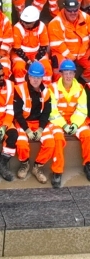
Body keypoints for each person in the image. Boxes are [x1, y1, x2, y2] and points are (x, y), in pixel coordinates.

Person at [48, 58, 90, 187]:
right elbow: (52, 111)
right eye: (65, 72)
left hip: (74, 120)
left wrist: (75, 124)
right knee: (58, 138)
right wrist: (64, 125)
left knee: (87, 134)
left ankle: (88, 164)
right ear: (60, 74)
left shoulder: (80, 89)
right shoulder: (52, 88)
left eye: (71, 73)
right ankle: (57, 171)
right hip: (58, 121)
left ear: (74, 74)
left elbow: (82, 110)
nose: (68, 76)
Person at [13, 61, 54, 183]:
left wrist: (41, 129)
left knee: (50, 143)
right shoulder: (20, 90)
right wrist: (27, 130)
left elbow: (46, 113)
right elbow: (18, 113)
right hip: (23, 122)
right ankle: (24, 164)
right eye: (33, 76)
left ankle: (37, 167)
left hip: (39, 123)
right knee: (21, 144)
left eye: (38, 77)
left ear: (42, 78)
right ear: (28, 76)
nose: (35, 80)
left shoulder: (46, 92)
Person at [47, 0, 90, 84]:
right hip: (63, 54)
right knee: (61, 69)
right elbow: (57, 45)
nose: (73, 13)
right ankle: (58, 91)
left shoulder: (86, 18)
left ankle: (82, 85)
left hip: (83, 52)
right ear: (64, 9)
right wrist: (72, 58)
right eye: (69, 10)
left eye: (75, 10)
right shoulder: (55, 23)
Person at [11, 5, 51, 83]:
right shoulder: (17, 27)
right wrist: (28, 61)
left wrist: (37, 59)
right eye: (23, 21)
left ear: (35, 21)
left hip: (38, 53)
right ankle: (22, 90)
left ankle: (45, 91)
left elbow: (44, 46)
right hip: (20, 54)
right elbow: (16, 48)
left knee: (47, 67)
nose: (24, 23)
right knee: (18, 68)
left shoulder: (42, 27)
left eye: (28, 23)